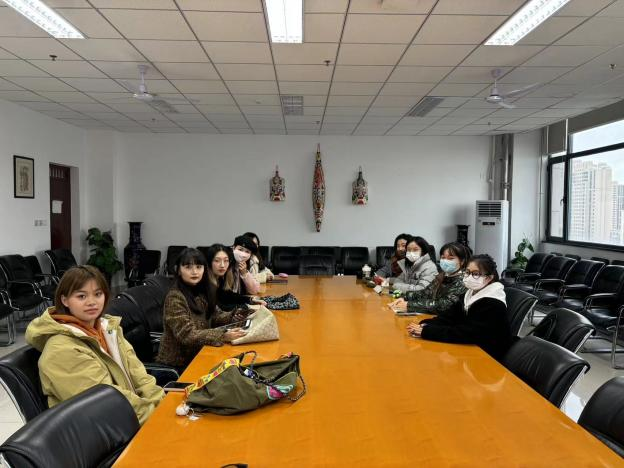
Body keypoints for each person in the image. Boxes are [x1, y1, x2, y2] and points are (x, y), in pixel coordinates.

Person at [25, 265, 163, 425]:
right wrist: (158, 417)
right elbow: (105, 406)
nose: (92, 302)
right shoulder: (61, 350)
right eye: (81, 296)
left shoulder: (107, 329)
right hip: (100, 430)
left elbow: (140, 376)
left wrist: (162, 404)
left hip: (130, 417)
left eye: (98, 294)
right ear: (65, 300)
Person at [157, 248, 249, 370]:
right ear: (178, 270)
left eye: (199, 267)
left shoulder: (202, 290)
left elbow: (215, 316)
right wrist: (223, 336)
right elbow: (187, 335)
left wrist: (233, 316)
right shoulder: (175, 297)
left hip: (200, 353)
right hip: (179, 364)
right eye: (188, 267)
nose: (194, 272)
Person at [407, 254, 512, 361]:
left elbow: (467, 333)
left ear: (489, 278)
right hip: (470, 349)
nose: (469, 277)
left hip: (487, 356)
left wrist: (428, 331)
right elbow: (450, 316)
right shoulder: (470, 293)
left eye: (475, 274)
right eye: (467, 272)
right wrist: (426, 324)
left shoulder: (493, 303)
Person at [389, 242, 470, 314]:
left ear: (462, 261)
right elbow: (425, 293)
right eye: (443, 257)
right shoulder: (442, 275)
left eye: (451, 258)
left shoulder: (464, 280)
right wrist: (405, 298)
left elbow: (443, 305)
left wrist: (409, 305)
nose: (445, 261)